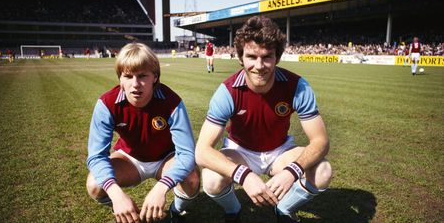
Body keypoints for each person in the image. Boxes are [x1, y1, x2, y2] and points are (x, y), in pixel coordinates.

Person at [195, 16, 332, 223]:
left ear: (277, 57)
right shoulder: (227, 91)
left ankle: (283, 210)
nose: (259, 65)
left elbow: (321, 141)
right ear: (240, 58)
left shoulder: (297, 86)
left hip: (279, 151)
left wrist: (291, 172)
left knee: (322, 171)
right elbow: (202, 152)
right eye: (251, 56)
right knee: (211, 179)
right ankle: (233, 210)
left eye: (267, 57)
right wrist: (245, 175)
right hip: (240, 151)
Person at [86, 42, 200, 223]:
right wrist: (116, 195)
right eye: (128, 76)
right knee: (94, 185)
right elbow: (96, 156)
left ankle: (176, 211)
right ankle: (130, 213)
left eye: (142, 76)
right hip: (130, 159)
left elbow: (187, 153)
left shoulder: (172, 102)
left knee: (192, 177)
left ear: (154, 76)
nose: (135, 84)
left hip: (166, 159)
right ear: (120, 78)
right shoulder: (107, 105)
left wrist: (162, 187)